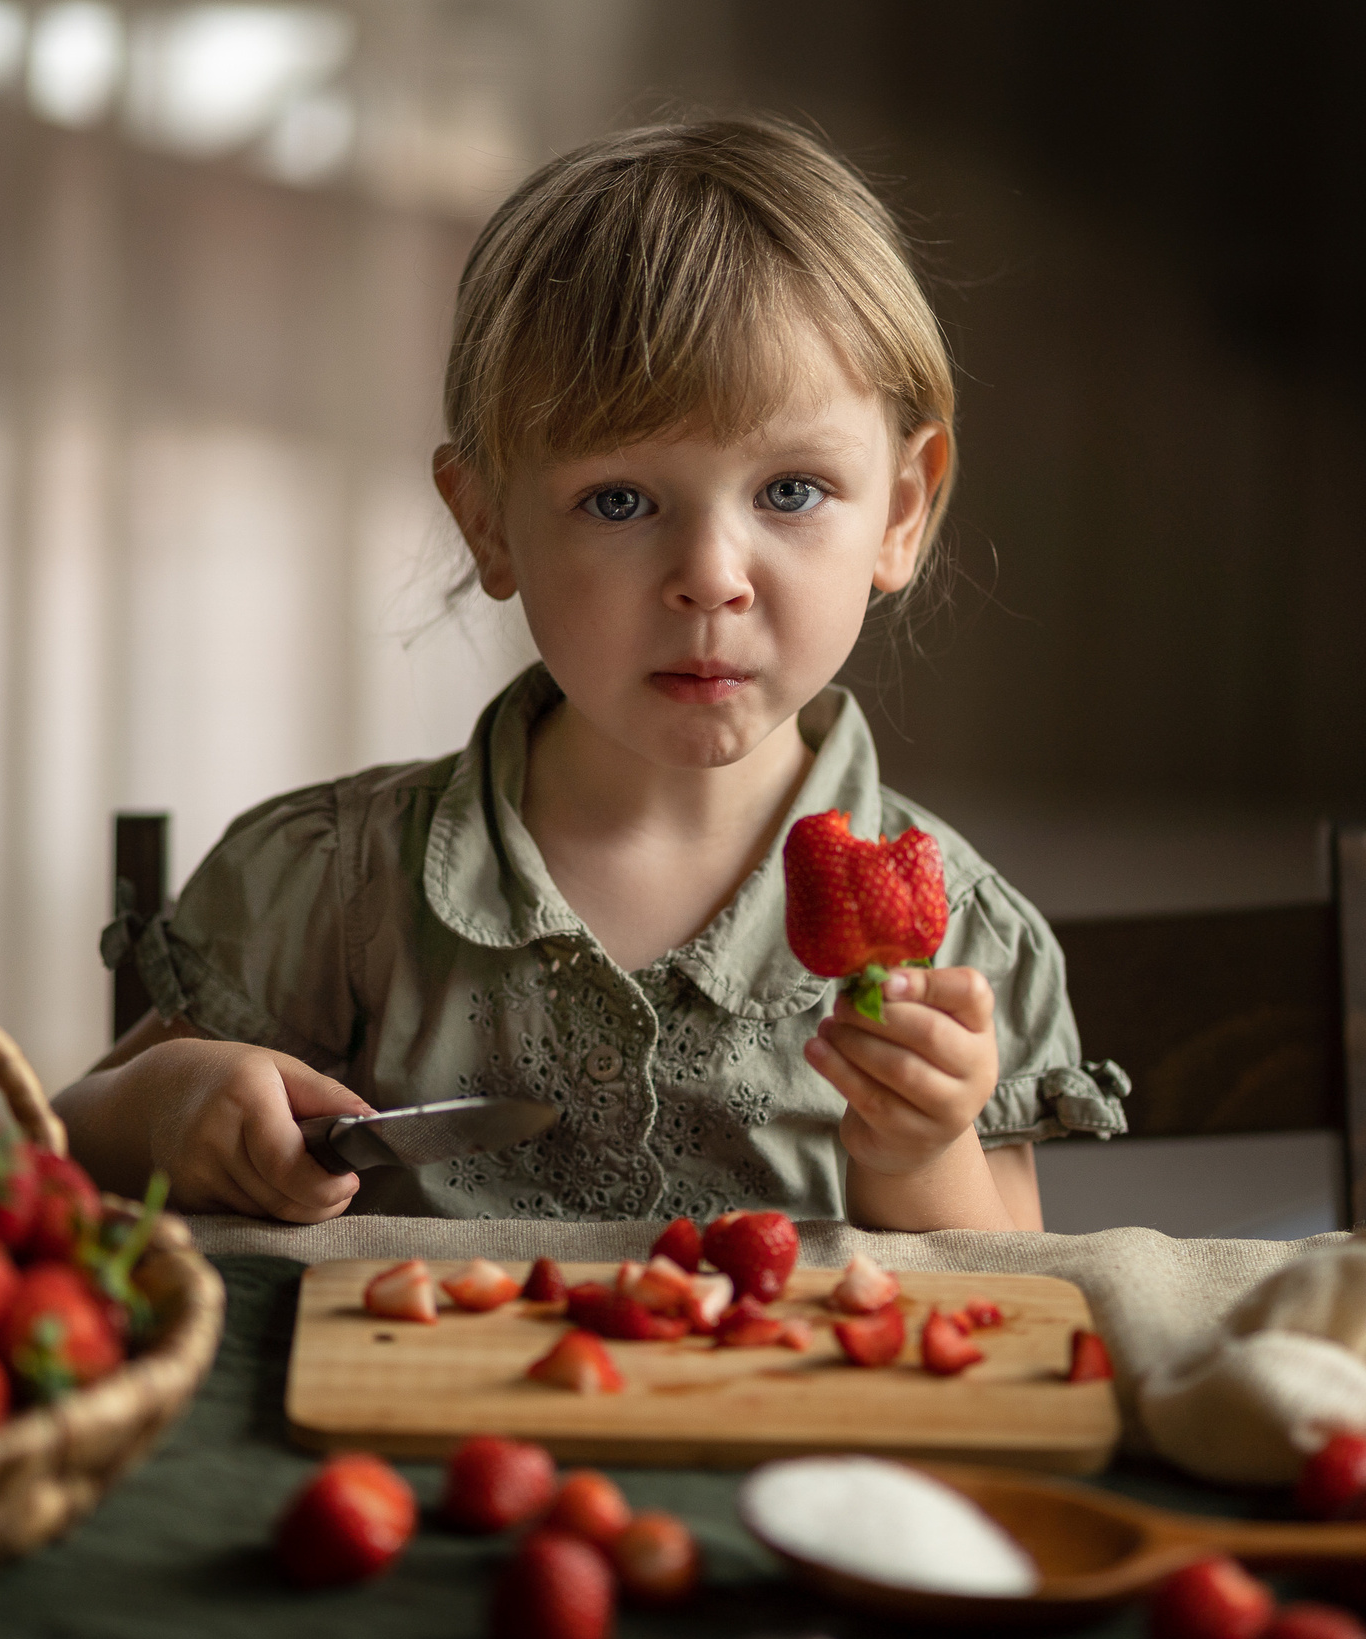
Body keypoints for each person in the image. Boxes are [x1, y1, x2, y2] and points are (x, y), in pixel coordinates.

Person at [55, 117, 1125, 1232]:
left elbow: (1012, 1290)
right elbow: (67, 1141)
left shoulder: (959, 935)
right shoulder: (335, 886)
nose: (710, 578)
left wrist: (923, 1146)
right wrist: (170, 1104)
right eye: (619, 500)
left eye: (791, 490)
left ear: (901, 510)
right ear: (489, 523)